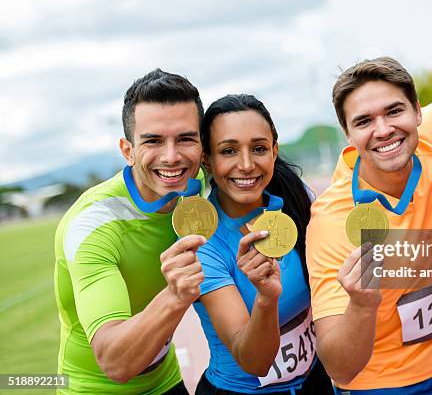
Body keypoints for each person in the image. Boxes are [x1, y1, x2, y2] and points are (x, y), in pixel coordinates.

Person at [306, 1, 432, 394]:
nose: (383, 130)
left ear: (417, 112)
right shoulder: (332, 222)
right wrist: (362, 304)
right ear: (348, 135)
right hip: (380, 386)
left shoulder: (430, 135)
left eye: (393, 111)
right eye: (363, 121)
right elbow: (339, 367)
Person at [54, 69, 207, 394]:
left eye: (185, 139)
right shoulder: (92, 225)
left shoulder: (197, 186)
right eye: (153, 140)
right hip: (96, 388)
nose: (171, 156)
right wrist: (175, 296)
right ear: (128, 150)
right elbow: (115, 362)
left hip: (167, 381)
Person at [193, 94, 333, 394]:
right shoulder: (202, 242)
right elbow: (254, 362)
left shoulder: (299, 199)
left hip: (314, 380)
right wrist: (266, 299)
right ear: (207, 159)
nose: (246, 164)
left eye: (258, 149)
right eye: (228, 151)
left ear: (274, 151)